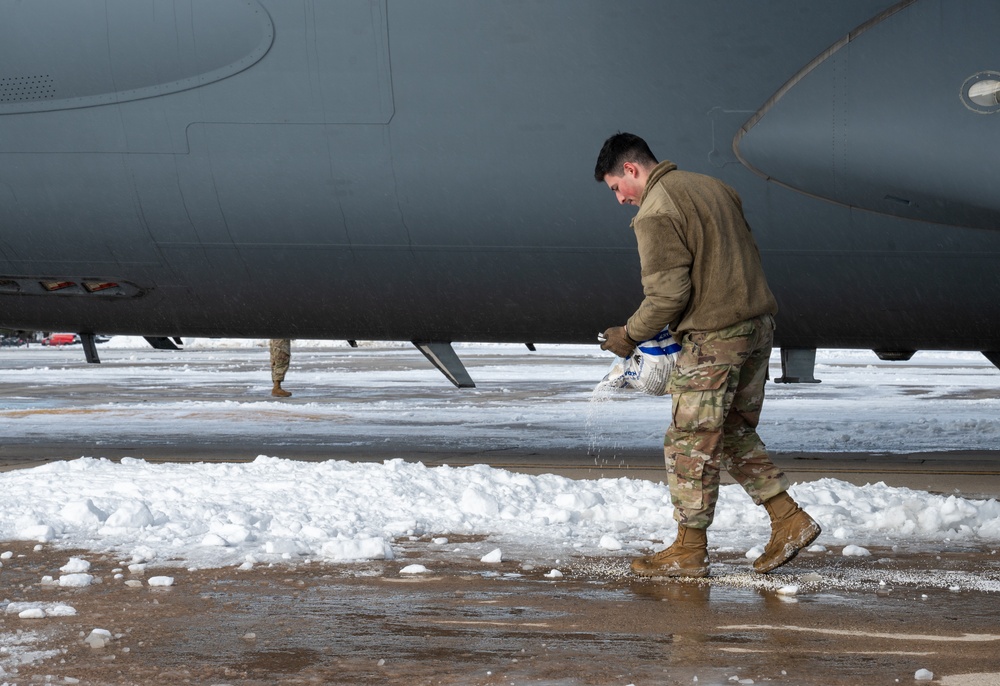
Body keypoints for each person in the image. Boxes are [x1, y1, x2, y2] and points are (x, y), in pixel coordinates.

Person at [594, 132, 820, 578]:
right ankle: (788, 519)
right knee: (731, 430)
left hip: (714, 337)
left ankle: (688, 549)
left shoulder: (656, 212)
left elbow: (667, 296)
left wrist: (629, 336)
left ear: (632, 169)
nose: (620, 200)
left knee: (690, 442)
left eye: (617, 188)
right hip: (757, 327)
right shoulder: (715, 188)